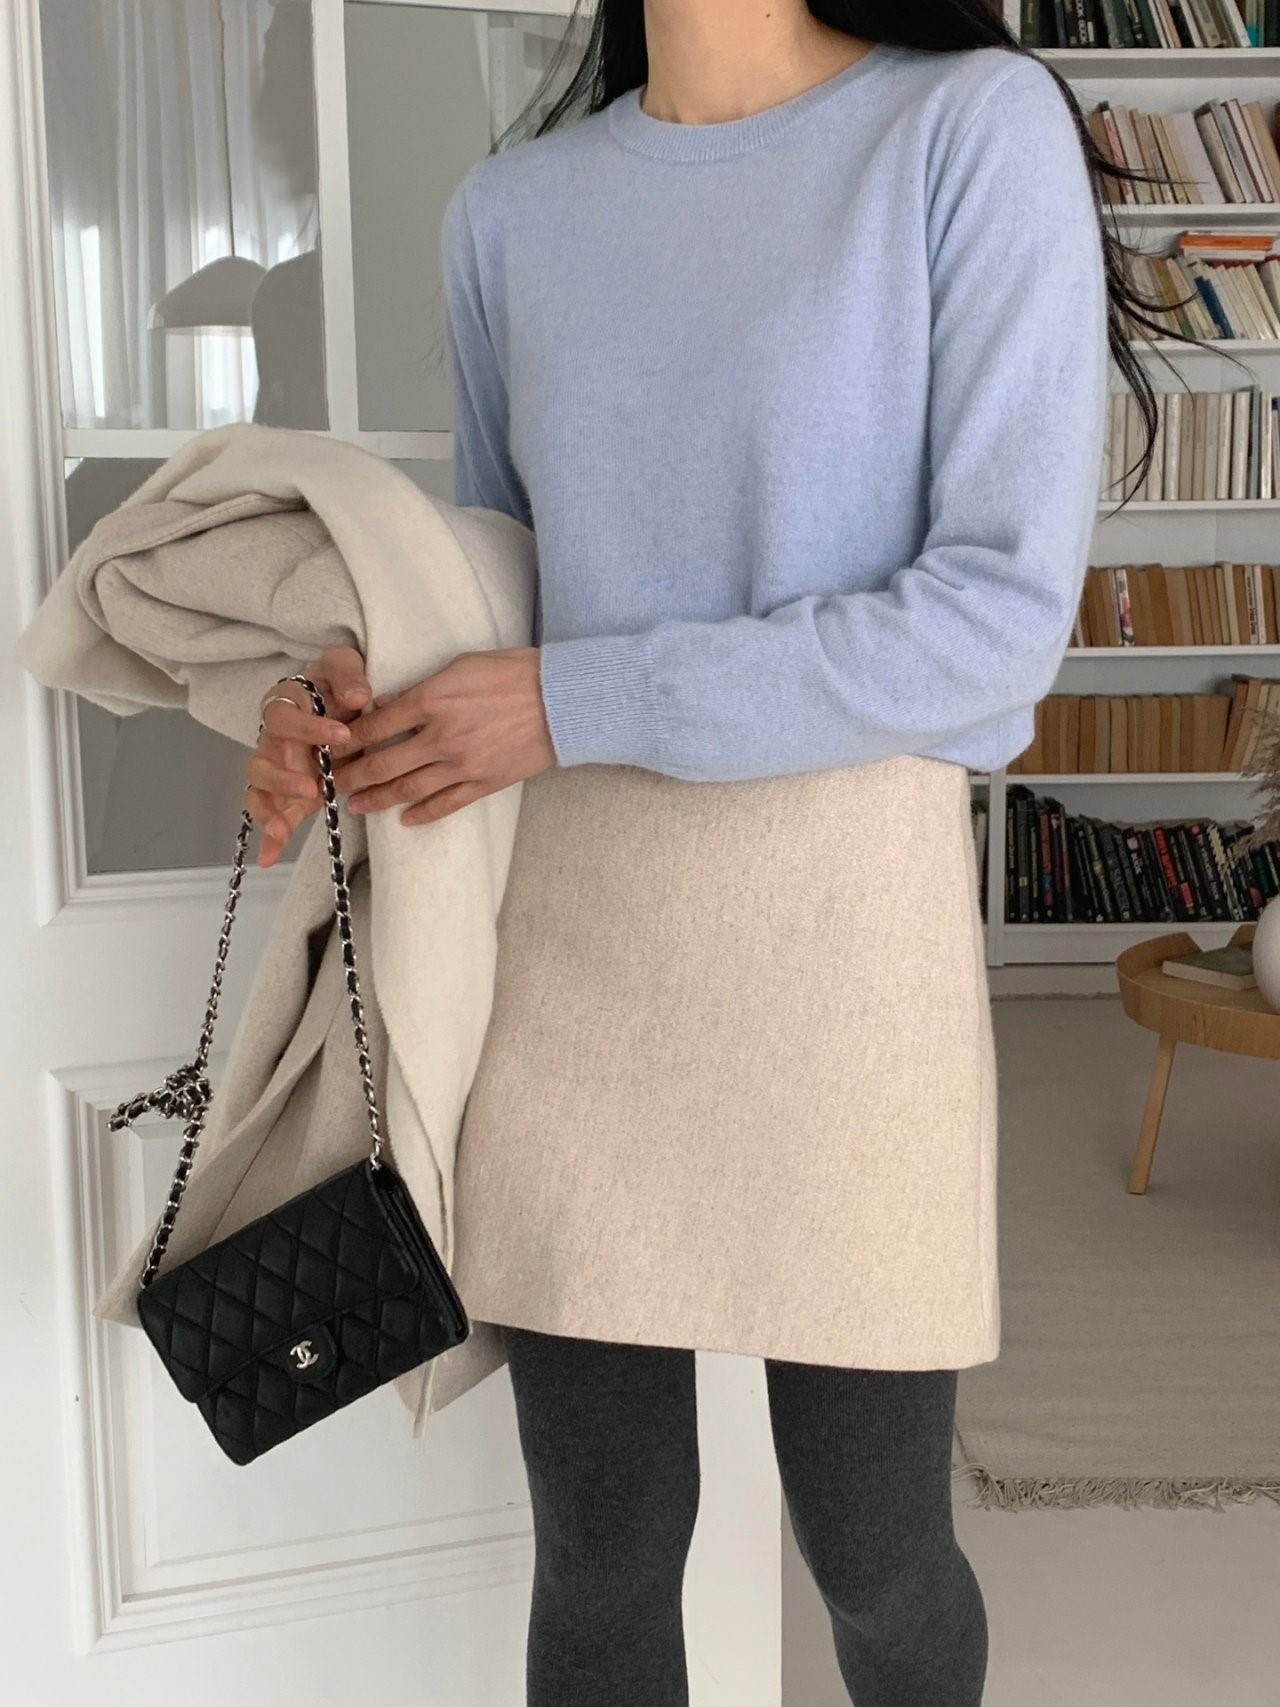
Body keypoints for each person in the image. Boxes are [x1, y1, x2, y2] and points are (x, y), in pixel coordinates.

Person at [243, 5, 1175, 1704]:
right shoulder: (514, 210)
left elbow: (989, 624)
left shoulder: (965, 129)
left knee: (878, 1562)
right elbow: (506, 591)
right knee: (600, 1556)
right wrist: (351, 689)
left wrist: (570, 696)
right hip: (571, 955)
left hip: (846, 945)